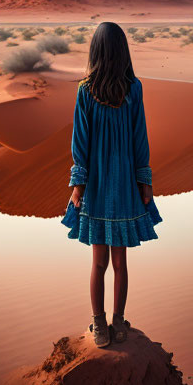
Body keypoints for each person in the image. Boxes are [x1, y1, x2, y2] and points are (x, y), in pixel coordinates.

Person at [61, 22, 162, 348]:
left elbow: (80, 143)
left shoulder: (85, 90)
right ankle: (118, 323)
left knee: (98, 263)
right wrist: (144, 182)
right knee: (120, 263)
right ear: (122, 51)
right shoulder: (134, 88)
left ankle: (100, 325)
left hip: (99, 188)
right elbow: (139, 140)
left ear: (96, 51)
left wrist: (79, 185)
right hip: (124, 188)